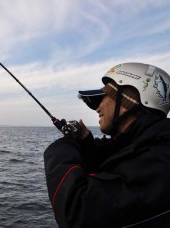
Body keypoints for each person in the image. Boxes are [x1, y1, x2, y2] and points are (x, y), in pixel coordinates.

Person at [44, 62, 170, 228]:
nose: (97, 108)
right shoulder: (148, 145)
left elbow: (79, 212)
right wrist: (87, 144)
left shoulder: (161, 160)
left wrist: (63, 147)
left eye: (103, 96)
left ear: (126, 103)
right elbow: (115, 161)